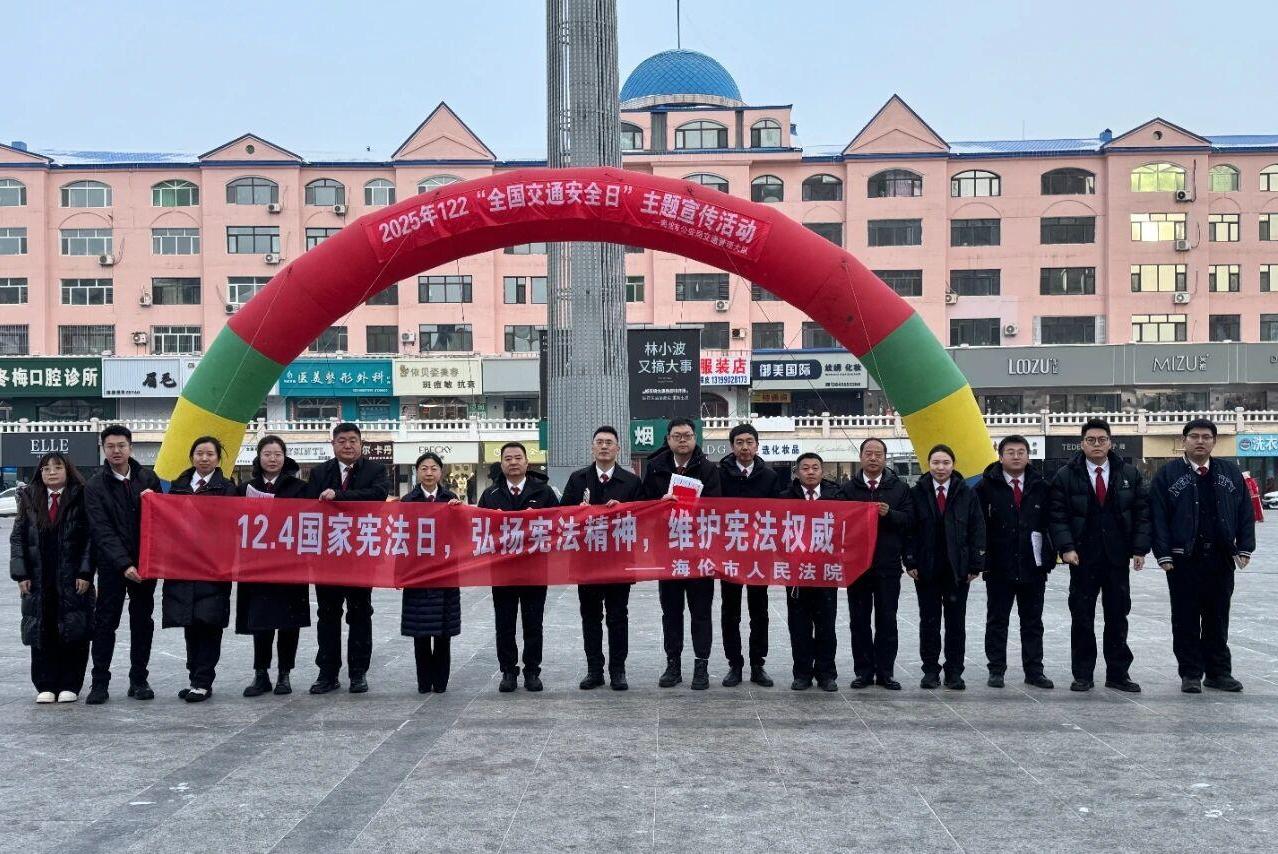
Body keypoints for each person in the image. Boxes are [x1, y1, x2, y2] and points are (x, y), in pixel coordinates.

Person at [1150, 419, 1256, 693]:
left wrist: (1245, 546)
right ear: (1183, 440)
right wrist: (1163, 553)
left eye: (1206, 437)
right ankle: (1190, 674)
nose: (1200, 441)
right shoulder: (1168, 475)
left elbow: (1245, 511)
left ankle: (1218, 673)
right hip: (1183, 559)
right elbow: (1158, 516)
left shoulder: (1229, 472)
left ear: (1214, 441)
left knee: (1217, 618)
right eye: (1194, 436)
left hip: (1220, 558)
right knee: (1185, 618)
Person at [1048, 417, 1150, 693]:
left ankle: (1118, 673)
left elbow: (1142, 513)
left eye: (1102, 439)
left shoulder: (1128, 473)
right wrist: (1066, 547)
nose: (1097, 444)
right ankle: (1083, 674)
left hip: (1117, 557)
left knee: (1118, 616)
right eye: (1091, 440)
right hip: (1082, 558)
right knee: (1082, 617)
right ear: (1082, 444)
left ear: (1110, 443)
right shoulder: (1066, 475)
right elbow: (1057, 515)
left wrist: (1139, 549)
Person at [307, 422, 391, 695]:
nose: (348, 445)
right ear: (333, 444)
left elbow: (376, 496)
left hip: (361, 555)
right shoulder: (320, 472)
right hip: (328, 557)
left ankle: (358, 673)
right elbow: (309, 507)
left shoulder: (375, 471)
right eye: (342, 440)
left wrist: (339, 496)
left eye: (353, 440)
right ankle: (327, 673)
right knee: (327, 615)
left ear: (361, 444)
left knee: (360, 614)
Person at [83, 424, 162, 704]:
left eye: (121, 446)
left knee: (142, 623)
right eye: (110, 446)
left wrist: (147, 561)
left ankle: (139, 679)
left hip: (145, 565)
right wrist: (124, 564)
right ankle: (99, 683)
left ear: (131, 448)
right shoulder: (94, 485)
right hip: (112, 566)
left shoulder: (148, 478)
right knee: (105, 623)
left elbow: (159, 520)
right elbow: (101, 529)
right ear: (103, 449)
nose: (116, 451)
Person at [561, 426, 644, 691]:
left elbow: (643, 519)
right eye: (599, 442)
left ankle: (618, 670)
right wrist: (577, 511)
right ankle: (594, 670)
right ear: (592, 448)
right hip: (586, 561)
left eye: (609, 442)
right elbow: (561, 516)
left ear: (618, 448)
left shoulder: (631, 482)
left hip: (619, 561)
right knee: (590, 617)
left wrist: (624, 510)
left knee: (618, 617)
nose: (604, 446)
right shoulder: (578, 479)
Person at [642, 417, 722, 690]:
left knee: (701, 613)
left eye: (687, 435)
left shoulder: (709, 469)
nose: (683, 440)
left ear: (695, 438)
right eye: (677, 436)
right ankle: (673, 664)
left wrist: (695, 506)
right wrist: (659, 504)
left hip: (700, 553)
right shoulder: (655, 467)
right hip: (669, 553)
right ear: (668, 439)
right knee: (671, 612)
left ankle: (701, 666)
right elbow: (644, 504)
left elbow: (717, 507)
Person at [10, 452, 95, 703]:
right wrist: (21, 574)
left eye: (57, 467)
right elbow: (18, 539)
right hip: (39, 578)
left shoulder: (81, 496)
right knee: (42, 628)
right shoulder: (29, 497)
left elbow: (90, 538)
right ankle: (45, 684)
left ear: (68, 470)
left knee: (73, 628)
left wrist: (85, 572)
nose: (51, 472)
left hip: (73, 577)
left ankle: (70, 683)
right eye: (46, 469)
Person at [479, 442, 559, 693]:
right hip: (502, 570)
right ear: (501, 464)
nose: (513, 462)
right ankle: (508, 671)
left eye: (517, 458)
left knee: (533, 623)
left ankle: (532, 671)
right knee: (504, 623)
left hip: (534, 568)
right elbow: (478, 528)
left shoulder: (544, 493)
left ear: (527, 462)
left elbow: (558, 525)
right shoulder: (490, 495)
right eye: (508, 458)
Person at [976, 436, 1055, 690]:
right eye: (1010, 452)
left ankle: (1034, 671)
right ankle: (996, 670)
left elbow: (1051, 523)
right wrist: (981, 560)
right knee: (997, 621)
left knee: (1032, 622)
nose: (1016, 456)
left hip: (1033, 566)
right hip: (999, 566)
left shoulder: (1041, 486)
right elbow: (977, 526)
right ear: (1000, 457)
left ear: (1028, 457)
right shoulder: (985, 488)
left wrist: (1051, 555)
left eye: (1021, 452)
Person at [236, 435, 310, 697]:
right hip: (257, 565)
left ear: (284, 457)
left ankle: (284, 674)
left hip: (290, 565)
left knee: (289, 622)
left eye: (278, 454)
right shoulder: (245, 488)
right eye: (267, 454)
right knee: (261, 621)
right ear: (259, 457)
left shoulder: (300, 488)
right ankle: (261, 674)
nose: (272, 459)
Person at [907, 444, 985, 690]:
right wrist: (910, 560)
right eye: (935, 463)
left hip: (957, 569)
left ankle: (954, 672)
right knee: (928, 622)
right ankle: (930, 670)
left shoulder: (966, 493)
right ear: (928, 465)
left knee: (956, 624)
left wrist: (976, 564)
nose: (940, 467)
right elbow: (909, 530)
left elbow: (977, 529)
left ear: (953, 465)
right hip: (927, 568)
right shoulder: (917, 492)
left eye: (945, 463)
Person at [165, 436, 237, 702]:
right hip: (184, 565)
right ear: (191, 457)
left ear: (218, 459)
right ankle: (194, 677)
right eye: (199, 453)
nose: (204, 458)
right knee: (190, 623)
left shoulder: (227, 489)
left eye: (210, 454)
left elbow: (229, 526)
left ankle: (203, 680)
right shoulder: (178, 486)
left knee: (209, 623)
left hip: (213, 567)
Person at [840, 437, 913, 691]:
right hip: (857, 566)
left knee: (887, 620)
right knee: (858, 621)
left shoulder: (899, 488)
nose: (873, 458)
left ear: (885, 458)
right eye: (868, 453)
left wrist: (889, 514)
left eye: (878, 454)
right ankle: (863, 672)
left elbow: (910, 520)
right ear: (860, 457)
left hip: (887, 566)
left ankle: (885, 672)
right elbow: (838, 521)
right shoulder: (847, 489)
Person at [715, 423, 778, 688]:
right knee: (730, 611)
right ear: (732, 447)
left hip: (759, 555)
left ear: (757, 445)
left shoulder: (770, 476)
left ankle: (757, 664)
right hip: (729, 552)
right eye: (739, 442)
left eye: (749, 442)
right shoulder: (719, 475)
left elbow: (780, 513)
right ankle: (734, 664)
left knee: (759, 611)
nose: (744, 447)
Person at [399, 452, 462, 694]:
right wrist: (400, 573)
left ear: (441, 472)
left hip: (446, 573)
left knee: (444, 634)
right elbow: (401, 539)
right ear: (417, 472)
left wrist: (458, 512)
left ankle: (441, 682)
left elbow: (461, 534)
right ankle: (424, 682)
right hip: (418, 574)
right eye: (424, 468)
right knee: (421, 633)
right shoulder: (408, 501)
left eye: (433, 468)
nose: (429, 473)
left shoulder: (451, 499)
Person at [779, 452, 841, 692]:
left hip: (826, 572)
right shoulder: (785, 498)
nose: (811, 472)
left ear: (822, 472)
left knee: (826, 626)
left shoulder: (837, 496)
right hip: (797, 573)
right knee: (799, 627)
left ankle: (826, 674)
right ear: (797, 472)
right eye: (805, 468)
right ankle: (802, 674)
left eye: (815, 467)